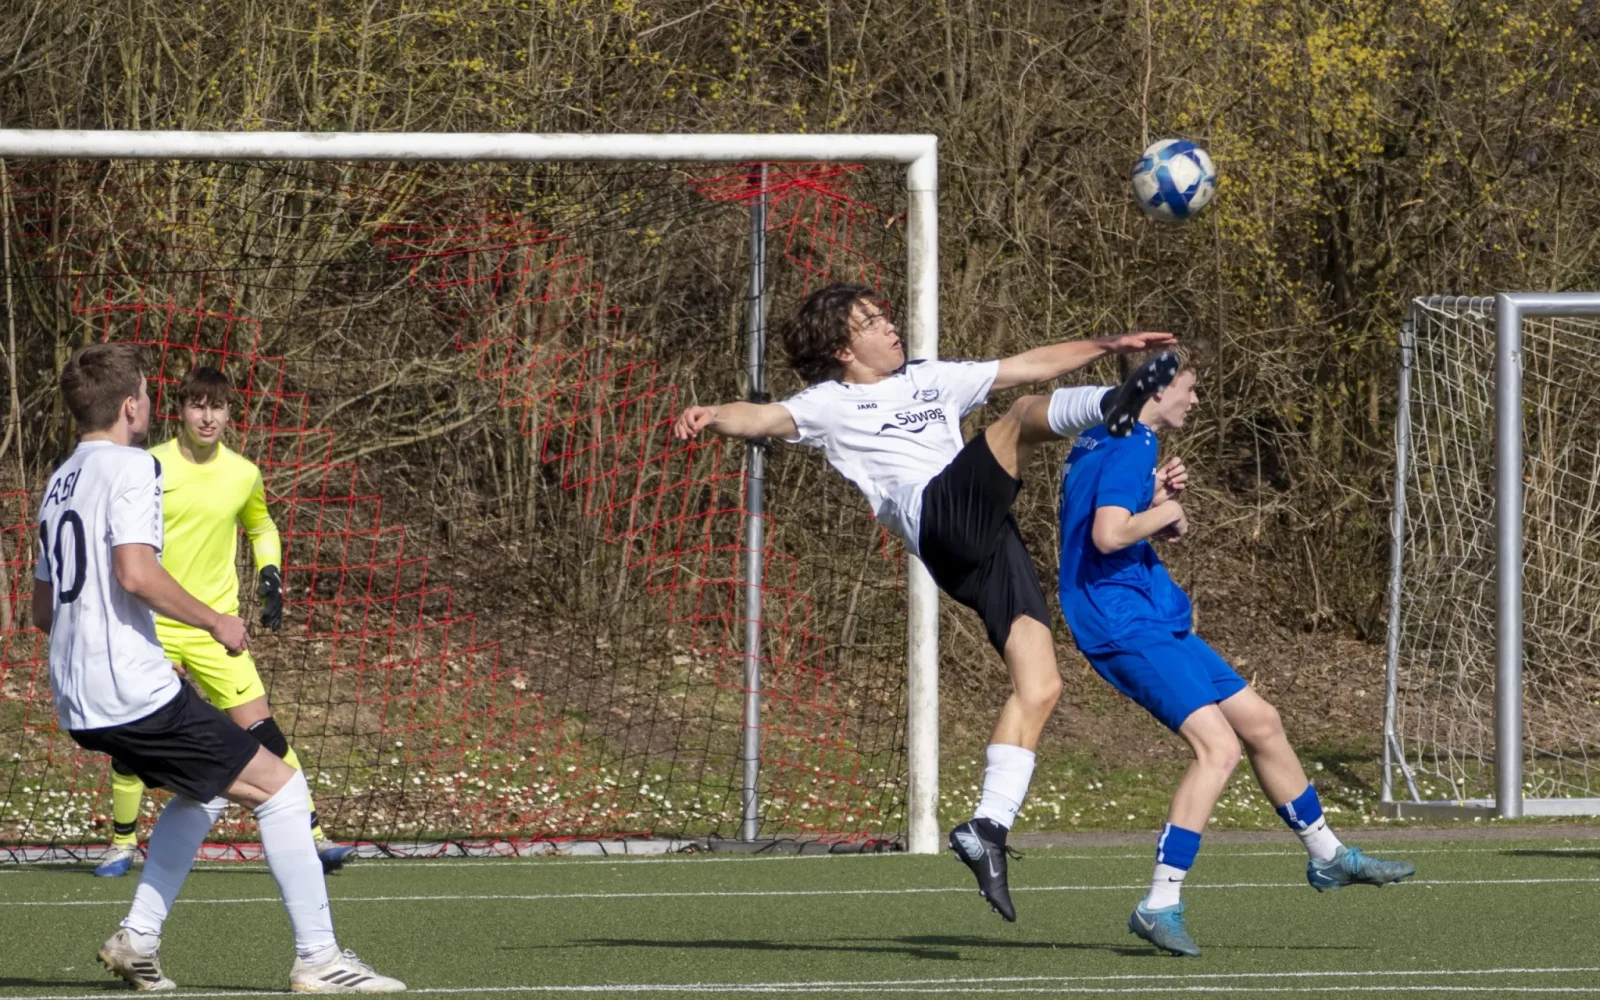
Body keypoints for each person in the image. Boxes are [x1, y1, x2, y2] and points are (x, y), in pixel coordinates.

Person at [673, 282, 1178, 920]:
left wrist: (1108, 342)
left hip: (984, 541)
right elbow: (762, 417)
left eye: (885, 314)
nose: (889, 326)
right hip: (936, 518)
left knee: (1042, 684)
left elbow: (1027, 363)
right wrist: (712, 413)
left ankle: (988, 829)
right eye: (871, 322)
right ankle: (1116, 406)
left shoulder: (931, 378)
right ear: (841, 347)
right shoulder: (829, 403)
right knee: (1022, 416)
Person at [32, 343, 402, 992]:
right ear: (130, 407)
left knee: (203, 791)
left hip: (79, 696)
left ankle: (138, 938)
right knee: (282, 789)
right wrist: (214, 620)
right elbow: (136, 573)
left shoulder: (59, 481)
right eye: (147, 395)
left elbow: (41, 611)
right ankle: (319, 959)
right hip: (129, 690)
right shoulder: (134, 467)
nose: (152, 404)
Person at [1056, 344, 1416, 958]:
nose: (1196, 400)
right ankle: (1159, 903)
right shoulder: (1131, 444)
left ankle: (1328, 856)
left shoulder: (1103, 435)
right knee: (1217, 748)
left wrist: (1157, 503)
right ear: (1157, 389)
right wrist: (1164, 506)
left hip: (1149, 612)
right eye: (1190, 388)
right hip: (1120, 622)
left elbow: (1114, 519)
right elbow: (1107, 534)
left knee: (1262, 723)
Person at [95, 365, 355, 878]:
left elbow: (261, 525)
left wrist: (271, 571)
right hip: (153, 628)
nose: (207, 417)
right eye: (197, 405)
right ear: (181, 410)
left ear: (229, 413)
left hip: (219, 627)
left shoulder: (243, 473)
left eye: (216, 407)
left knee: (265, 734)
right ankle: (121, 844)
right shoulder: (146, 467)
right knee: (131, 742)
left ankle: (313, 833)